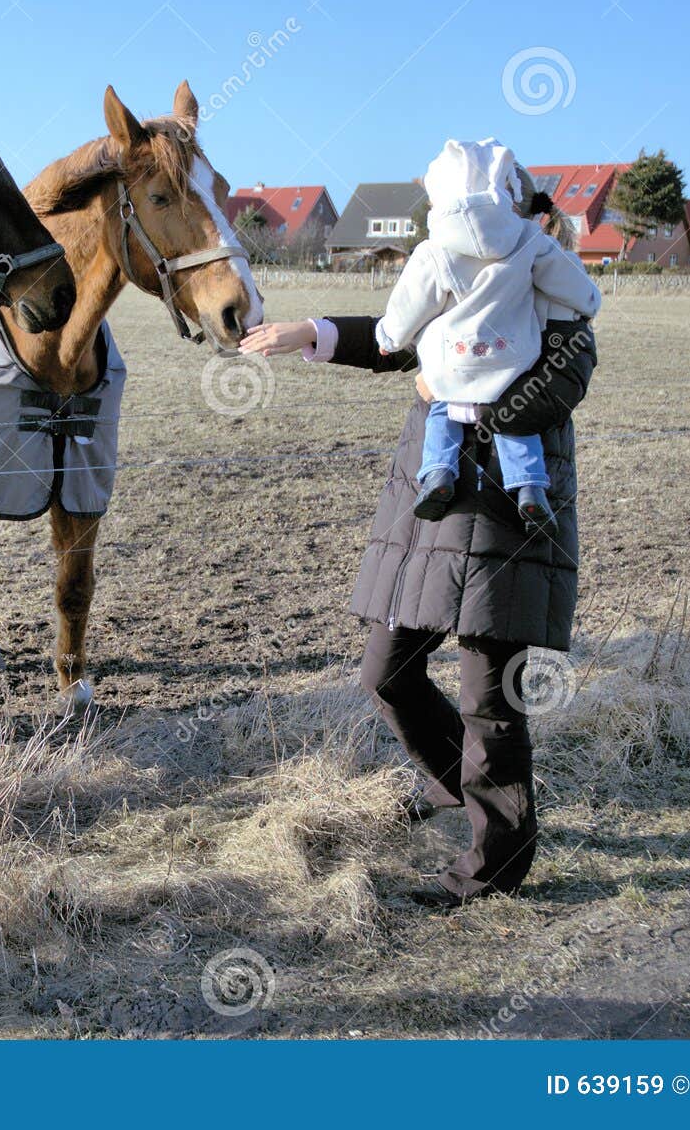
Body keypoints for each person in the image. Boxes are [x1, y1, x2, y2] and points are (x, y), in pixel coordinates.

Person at [238, 175, 598, 908]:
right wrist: (310, 332)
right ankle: (447, 781)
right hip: (428, 505)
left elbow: (570, 373)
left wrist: (467, 390)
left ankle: (495, 866)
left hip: (509, 509)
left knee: (490, 699)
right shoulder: (446, 266)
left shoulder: (545, 276)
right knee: (385, 672)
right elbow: (392, 335)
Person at [374, 138, 600, 533]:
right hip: (512, 361)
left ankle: (438, 474)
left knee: (442, 413)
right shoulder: (531, 241)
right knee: (517, 425)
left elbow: (410, 303)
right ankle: (530, 488)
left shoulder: (434, 250)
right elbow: (571, 284)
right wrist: (591, 300)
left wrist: (388, 337)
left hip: (452, 363)